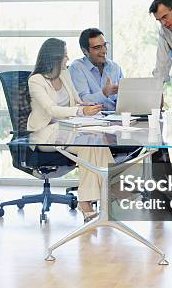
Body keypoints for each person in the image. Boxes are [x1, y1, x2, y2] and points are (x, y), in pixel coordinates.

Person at [27, 38, 113, 222]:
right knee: (87, 144)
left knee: (97, 143)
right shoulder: (36, 81)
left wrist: (87, 105)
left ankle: (106, 195)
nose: (67, 58)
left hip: (68, 127)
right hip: (45, 133)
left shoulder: (64, 74)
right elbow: (51, 110)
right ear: (54, 57)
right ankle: (89, 201)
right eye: (64, 54)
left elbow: (75, 100)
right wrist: (81, 111)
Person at [68, 28, 124, 111]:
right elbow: (82, 100)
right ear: (85, 51)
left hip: (116, 117)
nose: (104, 50)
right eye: (97, 47)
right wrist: (104, 93)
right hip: (91, 119)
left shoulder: (115, 67)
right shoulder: (77, 68)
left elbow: (124, 98)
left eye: (104, 45)